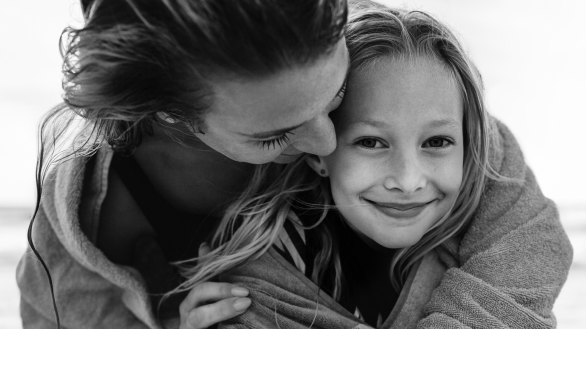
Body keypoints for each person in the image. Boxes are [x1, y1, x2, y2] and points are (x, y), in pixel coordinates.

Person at [16, 0, 571, 329]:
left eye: (335, 96)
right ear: (171, 114)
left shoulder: (396, 79)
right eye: (275, 133)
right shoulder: (96, 222)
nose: (325, 139)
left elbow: (525, 250)